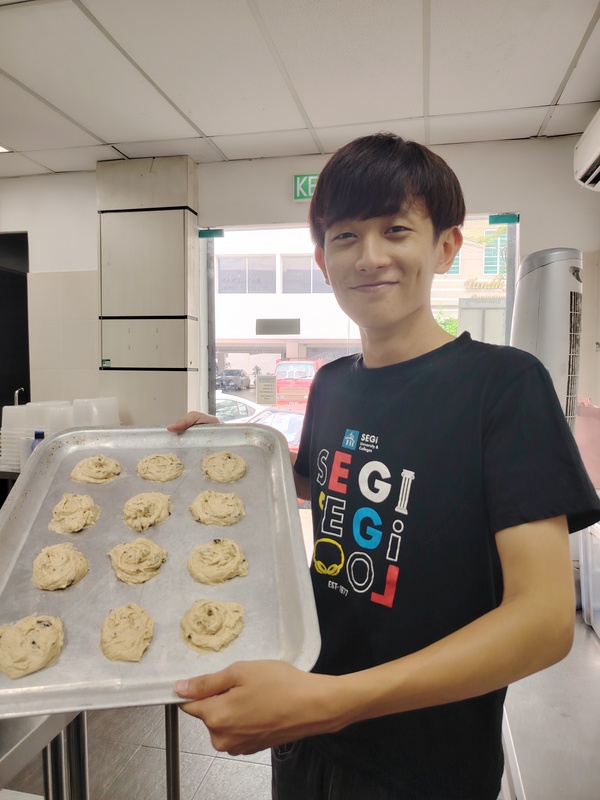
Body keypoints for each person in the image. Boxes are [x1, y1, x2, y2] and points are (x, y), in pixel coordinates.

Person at [168, 133, 600, 799]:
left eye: (396, 229)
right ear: (322, 258)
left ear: (446, 246)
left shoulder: (504, 385)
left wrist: (336, 700)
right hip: (307, 723)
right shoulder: (333, 382)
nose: (370, 257)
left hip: (426, 756)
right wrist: (237, 454)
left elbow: (544, 620)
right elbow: (324, 485)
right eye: (346, 237)